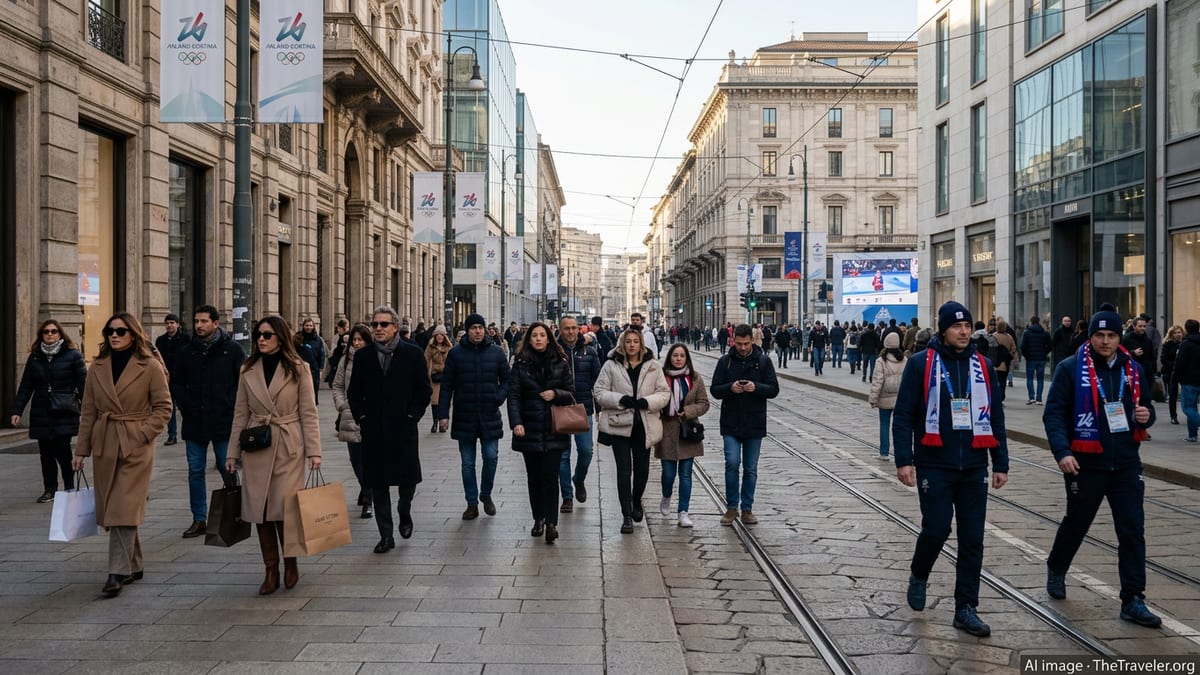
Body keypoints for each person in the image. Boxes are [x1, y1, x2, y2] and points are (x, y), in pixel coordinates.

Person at [892, 301, 1009, 637]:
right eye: (957, 326)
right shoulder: (920, 364)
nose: (963, 332)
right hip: (935, 462)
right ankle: (919, 572)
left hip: (974, 464)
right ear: (944, 329)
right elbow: (903, 415)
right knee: (937, 529)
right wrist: (904, 459)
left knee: (973, 538)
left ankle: (966, 607)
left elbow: (996, 418)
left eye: (968, 326)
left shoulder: (983, 366)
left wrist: (1000, 462)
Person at [1042, 305, 1161, 628]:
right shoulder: (1070, 369)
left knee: (1132, 530)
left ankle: (1133, 598)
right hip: (1085, 462)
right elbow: (1053, 414)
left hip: (1124, 462)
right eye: (1099, 335)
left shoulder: (1132, 369)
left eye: (1111, 335)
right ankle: (1057, 565)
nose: (1106, 341)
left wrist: (1145, 416)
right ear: (1091, 336)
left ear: (1118, 336)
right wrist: (1062, 452)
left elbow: (1146, 405)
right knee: (1077, 522)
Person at [71, 312, 172, 598]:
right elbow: (88, 411)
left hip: (135, 444)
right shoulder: (98, 366)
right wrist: (81, 451)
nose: (114, 335)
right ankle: (135, 563)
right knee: (115, 506)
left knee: (122, 506)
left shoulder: (149, 366)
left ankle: (117, 571)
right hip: (105, 442)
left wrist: (141, 434)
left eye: (120, 331)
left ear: (134, 334)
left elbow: (164, 408)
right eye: (110, 331)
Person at [225, 316, 322, 595]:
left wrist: (314, 451)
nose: (262, 339)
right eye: (258, 334)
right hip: (257, 444)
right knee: (261, 510)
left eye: (267, 335)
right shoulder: (248, 369)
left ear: (281, 337)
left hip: (288, 444)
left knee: (285, 509)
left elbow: (309, 413)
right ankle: (270, 569)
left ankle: (290, 561)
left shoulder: (298, 369)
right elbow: (240, 414)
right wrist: (232, 452)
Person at [348, 306, 432, 553]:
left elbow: (423, 391)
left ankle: (404, 511)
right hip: (373, 430)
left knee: (407, 481)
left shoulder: (413, 354)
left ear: (395, 327)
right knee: (377, 483)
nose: (378, 329)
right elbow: (354, 393)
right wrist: (362, 416)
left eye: (384, 324)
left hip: (403, 428)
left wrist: (412, 416)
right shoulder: (363, 357)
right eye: (374, 325)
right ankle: (386, 535)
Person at [170, 304, 246, 539]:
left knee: (228, 467)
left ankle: (239, 511)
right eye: (196, 321)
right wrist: (186, 404)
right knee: (195, 471)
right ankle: (199, 518)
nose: (199, 325)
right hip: (195, 421)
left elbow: (242, 383)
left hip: (223, 420)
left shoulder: (232, 350)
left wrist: (229, 403)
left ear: (216, 323)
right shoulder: (187, 351)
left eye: (204, 321)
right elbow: (176, 383)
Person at [594, 327, 670, 534]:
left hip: (644, 425)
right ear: (622, 344)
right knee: (624, 470)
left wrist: (647, 401)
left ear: (641, 344)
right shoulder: (611, 365)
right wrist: (620, 399)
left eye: (636, 341)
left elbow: (664, 393)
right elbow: (599, 391)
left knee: (642, 469)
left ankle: (637, 500)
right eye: (628, 341)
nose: (632, 345)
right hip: (620, 425)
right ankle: (626, 514)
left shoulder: (653, 365)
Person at [506, 322, 576, 544]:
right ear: (529, 339)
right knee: (534, 478)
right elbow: (514, 395)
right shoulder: (520, 364)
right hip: (529, 427)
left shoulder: (561, 362)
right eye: (534, 335)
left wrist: (555, 393)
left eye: (542, 335)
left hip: (555, 427)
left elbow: (571, 393)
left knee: (550, 476)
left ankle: (551, 523)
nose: (538, 339)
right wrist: (516, 422)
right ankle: (538, 518)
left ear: (549, 338)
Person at [438, 313, 510, 520]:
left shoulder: (496, 353)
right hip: (464, 415)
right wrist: (443, 414)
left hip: (489, 414)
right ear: (467, 330)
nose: (478, 331)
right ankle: (471, 503)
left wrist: (499, 397)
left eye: (480, 327)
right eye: (473, 328)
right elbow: (447, 386)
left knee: (491, 457)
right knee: (468, 463)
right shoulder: (456, 354)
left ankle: (485, 494)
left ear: (485, 329)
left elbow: (507, 380)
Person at [10, 319, 87, 502]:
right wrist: (17, 410)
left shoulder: (72, 355)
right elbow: (26, 386)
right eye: (46, 332)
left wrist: (88, 409)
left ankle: (68, 486)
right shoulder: (35, 357)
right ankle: (50, 489)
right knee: (45, 453)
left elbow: (84, 384)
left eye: (53, 331)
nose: (50, 334)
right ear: (41, 335)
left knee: (62, 449)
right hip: (42, 409)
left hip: (64, 409)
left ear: (60, 334)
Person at [709, 323, 779, 526]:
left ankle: (747, 508)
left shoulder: (763, 362)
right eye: (739, 344)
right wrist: (731, 388)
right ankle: (732, 507)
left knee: (750, 468)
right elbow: (714, 389)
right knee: (732, 463)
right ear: (733, 341)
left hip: (754, 422)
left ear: (752, 341)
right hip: (731, 421)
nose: (742, 348)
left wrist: (755, 387)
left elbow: (773, 389)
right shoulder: (725, 362)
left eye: (746, 344)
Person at [655, 344, 710, 528]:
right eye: (675, 355)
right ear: (669, 357)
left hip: (688, 431)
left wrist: (687, 411)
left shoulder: (695, 378)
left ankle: (683, 512)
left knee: (685, 474)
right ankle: (666, 495)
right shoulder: (660, 377)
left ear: (687, 358)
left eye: (682, 356)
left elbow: (704, 403)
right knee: (668, 474)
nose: (678, 359)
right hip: (667, 430)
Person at [556, 316, 601, 513]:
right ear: (560, 330)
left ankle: (579, 479)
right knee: (562, 455)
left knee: (586, 451)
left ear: (579, 330)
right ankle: (567, 497)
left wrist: (600, 408)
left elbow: (598, 383)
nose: (571, 332)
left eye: (574, 328)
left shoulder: (589, 352)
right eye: (566, 329)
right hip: (560, 408)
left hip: (584, 409)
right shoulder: (553, 352)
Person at [331, 323, 374, 520]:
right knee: (355, 460)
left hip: (372, 416)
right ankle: (365, 487)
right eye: (354, 340)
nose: (356, 343)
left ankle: (368, 498)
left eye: (360, 340)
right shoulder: (345, 361)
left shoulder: (376, 358)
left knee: (370, 459)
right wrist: (342, 405)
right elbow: (337, 386)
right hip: (350, 416)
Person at [868, 332, 906, 462]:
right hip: (901, 398)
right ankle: (903, 453)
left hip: (885, 397)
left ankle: (884, 453)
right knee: (900, 427)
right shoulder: (904, 359)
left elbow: (877, 381)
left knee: (884, 424)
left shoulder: (881, 360)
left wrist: (873, 399)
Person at [155, 313, 188, 444]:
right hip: (166, 379)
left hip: (181, 379)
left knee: (184, 407)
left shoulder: (185, 339)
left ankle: (187, 431)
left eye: (172, 323)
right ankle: (172, 435)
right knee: (170, 408)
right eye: (167, 323)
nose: (169, 325)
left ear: (177, 324)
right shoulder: (160, 340)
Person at [1173, 319, 1200, 442]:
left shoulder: (1186, 344)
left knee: (1188, 408)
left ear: (1186, 329)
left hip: (1189, 380)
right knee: (1192, 408)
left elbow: (1180, 363)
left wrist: (1175, 378)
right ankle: (1192, 434)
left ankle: (1193, 433)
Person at [1020, 315, 1053, 405]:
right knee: (1040, 379)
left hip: (1030, 359)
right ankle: (1039, 398)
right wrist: (1044, 353)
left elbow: (1022, 346)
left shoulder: (1027, 333)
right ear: (1039, 322)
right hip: (1041, 359)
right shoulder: (1045, 333)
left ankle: (1031, 397)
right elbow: (1050, 346)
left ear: (1031, 322)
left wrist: (1026, 355)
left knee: (1030, 378)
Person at [425, 326, 452, 433]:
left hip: (446, 378)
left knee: (445, 401)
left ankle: (443, 422)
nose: (440, 337)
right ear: (435, 336)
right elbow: (426, 361)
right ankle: (435, 422)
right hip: (435, 377)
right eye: (438, 335)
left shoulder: (449, 348)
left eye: (442, 335)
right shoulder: (431, 347)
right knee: (435, 402)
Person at [297, 318, 326, 402]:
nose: (308, 327)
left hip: (314, 369)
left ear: (313, 327)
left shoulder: (318, 339)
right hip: (301, 368)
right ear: (303, 326)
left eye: (310, 325)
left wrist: (321, 369)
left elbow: (322, 354)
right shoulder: (299, 338)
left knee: (314, 390)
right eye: (306, 325)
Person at [1160, 324, 1183, 425]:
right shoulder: (1167, 344)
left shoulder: (1184, 344)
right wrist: (1174, 365)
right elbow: (1163, 359)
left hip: (1183, 372)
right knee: (1173, 394)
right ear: (1172, 334)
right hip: (1171, 372)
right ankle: (1173, 416)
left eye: (1180, 332)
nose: (1178, 334)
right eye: (1176, 333)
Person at [324, 319, 350, 389]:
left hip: (341, 362)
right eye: (338, 328)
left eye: (339, 328)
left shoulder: (347, 337)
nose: (338, 330)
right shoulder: (338, 337)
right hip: (336, 361)